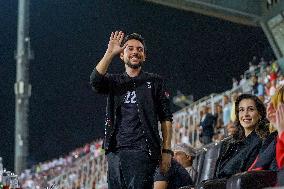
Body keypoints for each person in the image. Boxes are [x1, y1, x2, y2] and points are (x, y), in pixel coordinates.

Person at [90, 31, 173, 189]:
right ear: (122, 55)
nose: (135, 52)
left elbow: (166, 117)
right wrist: (109, 53)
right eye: (130, 48)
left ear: (144, 56)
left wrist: (167, 150)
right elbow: (95, 81)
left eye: (140, 49)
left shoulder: (155, 82)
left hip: (142, 151)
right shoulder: (114, 81)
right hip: (114, 152)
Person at [215, 94, 270, 179]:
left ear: (260, 114)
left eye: (251, 109)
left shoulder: (263, 140)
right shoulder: (231, 143)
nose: (245, 114)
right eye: (241, 110)